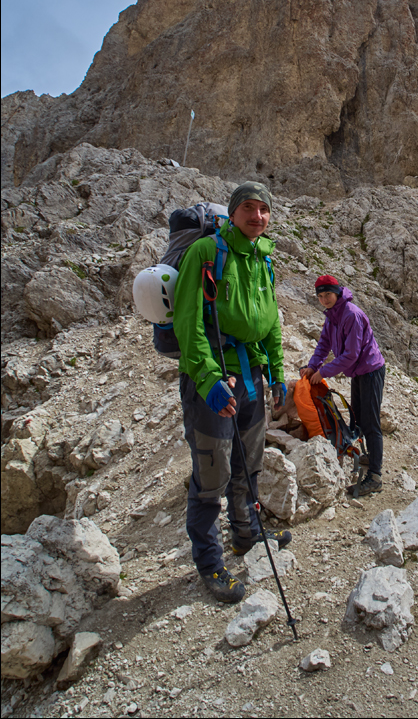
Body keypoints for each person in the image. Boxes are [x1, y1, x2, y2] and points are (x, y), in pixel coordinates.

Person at [173, 181, 288, 602]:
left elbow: (271, 320)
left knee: (248, 460)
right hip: (215, 379)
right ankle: (210, 563)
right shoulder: (207, 253)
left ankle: (247, 533)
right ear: (233, 212)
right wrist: (207, 380)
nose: (257, 216)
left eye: (264, 209)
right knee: (211, 472)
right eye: (248, 208)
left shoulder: (264, 257)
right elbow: (188, 323)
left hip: (252, 375)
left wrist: (276, 373)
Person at [300, 275, 386, 496]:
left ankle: (375, 476)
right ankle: (370, 457)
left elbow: (350, 354)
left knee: (370, 421)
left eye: (327, 294)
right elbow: (324, 343)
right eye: (320, 296)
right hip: (359, 371)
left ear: (337, 292)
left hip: (370, 370)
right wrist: (312, 366)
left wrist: (323, 372)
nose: (324, 299)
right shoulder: (333, 316)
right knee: (357, 416)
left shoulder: (351, 315)